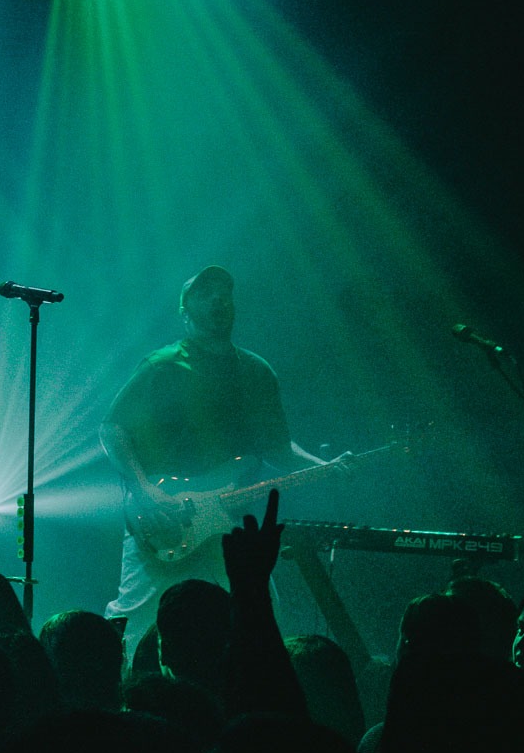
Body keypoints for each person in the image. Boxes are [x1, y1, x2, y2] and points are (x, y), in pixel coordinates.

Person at [100, 265, 348, 650]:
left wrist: (326, 468)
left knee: (260, 624)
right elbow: (113, 428)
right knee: (137, 630)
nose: (218, 299)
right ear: (184, 311)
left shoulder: (256, 371)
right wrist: (145, 491)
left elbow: (279, 448)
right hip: (166, 518)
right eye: (205, 293)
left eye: (224, 292)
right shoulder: (163, 364)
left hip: (228, 520)